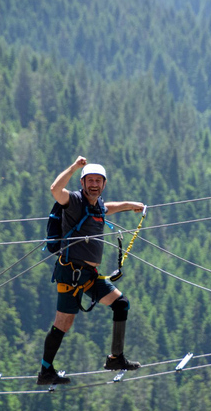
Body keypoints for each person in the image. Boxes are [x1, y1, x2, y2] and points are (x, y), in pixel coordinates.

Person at [37, 156, 145, 385]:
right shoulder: (74, 201)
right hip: (71, 273)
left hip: (89, 276)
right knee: (63, 323)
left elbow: (110, 208)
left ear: (104, 184)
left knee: (121, 304)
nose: (94, 184)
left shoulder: (98, 207)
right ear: (83, 183)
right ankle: (45, 371)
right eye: (90, 180)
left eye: (98, 181)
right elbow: (55, 189)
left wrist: (131, 205)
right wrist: (75, 167)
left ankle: (116, 358)